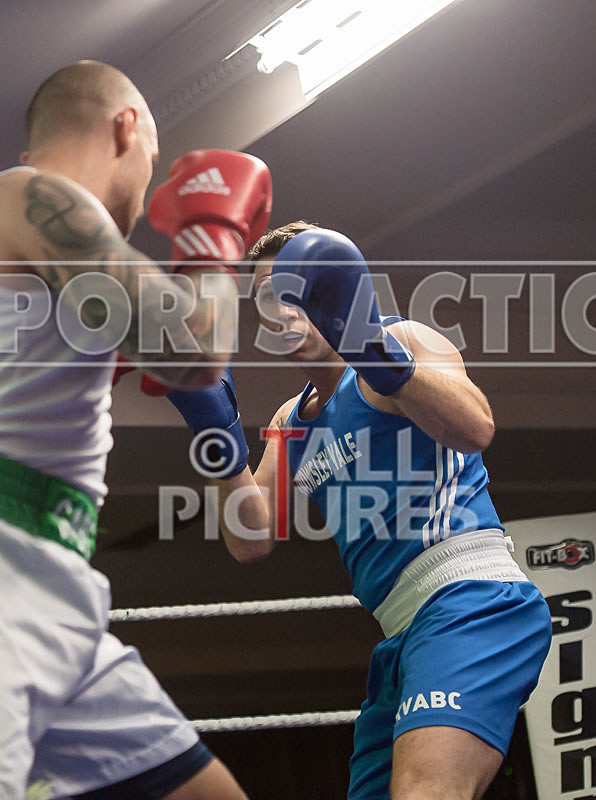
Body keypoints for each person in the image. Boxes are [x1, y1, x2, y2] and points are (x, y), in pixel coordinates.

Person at [167, 221, 553, 799]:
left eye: (299, 291)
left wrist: (375, 350)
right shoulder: (290, 419)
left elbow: (476, 427)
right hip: (401, 637)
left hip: (473, 601)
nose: (286, 312)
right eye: (270, 299)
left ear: (334, 288)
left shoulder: (403, 342)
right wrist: (215, 433)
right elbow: (250, 540)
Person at [0, 60, 271, 799]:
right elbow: (194, 350)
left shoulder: (42, 258)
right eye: (151, 157)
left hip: (55, 585)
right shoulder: (32, 194)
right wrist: (215, 232)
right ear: (128, 127)